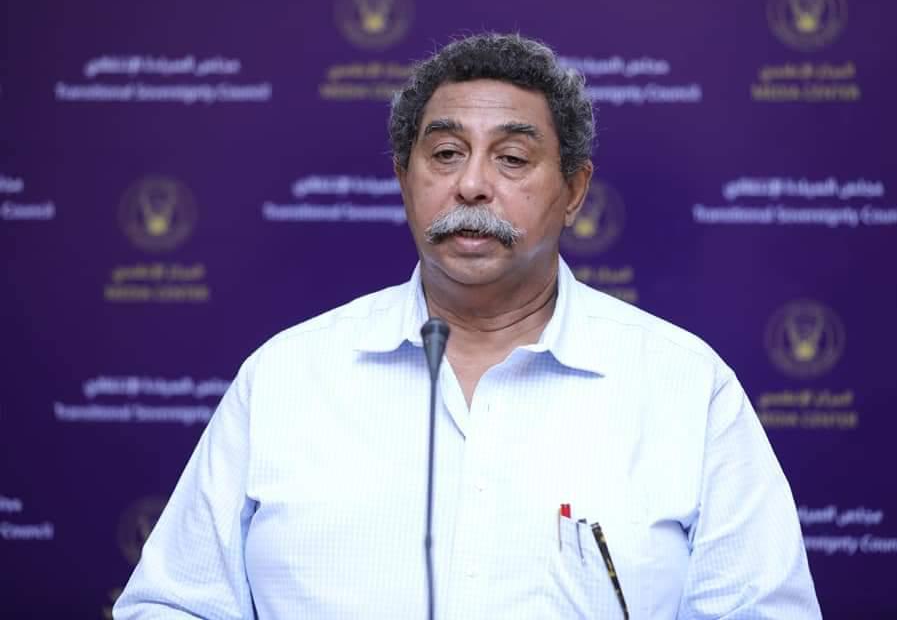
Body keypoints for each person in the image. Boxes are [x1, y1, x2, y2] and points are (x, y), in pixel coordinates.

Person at [114, 33, 821, 619]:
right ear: (404, 177)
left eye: (512, 159)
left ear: (575, 190)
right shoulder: (288, 377)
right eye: (446, 154)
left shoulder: (684, 387)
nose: (473, 185)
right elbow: (172, 604)